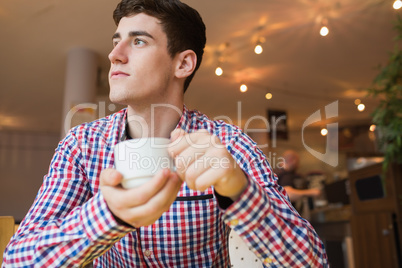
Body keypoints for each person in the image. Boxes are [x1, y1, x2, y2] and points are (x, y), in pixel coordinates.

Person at [3, 0, 329, 267]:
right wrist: (106, 215)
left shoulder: (230, 144)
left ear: (183, 64)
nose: (115, 54)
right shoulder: (81, 145)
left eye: (139, 41)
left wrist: (238, 190)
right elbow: (18, 261)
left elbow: (312, 262)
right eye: (117, 41)